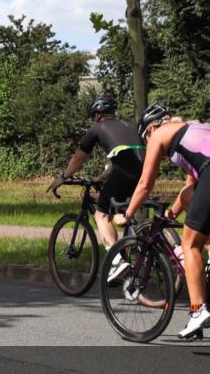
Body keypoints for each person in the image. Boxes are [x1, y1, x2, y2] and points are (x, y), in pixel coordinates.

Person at [122, 104, 210, 339]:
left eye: (146, 138)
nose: (148, 144)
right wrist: (172, 213)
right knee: (208, 233)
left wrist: (127, 215)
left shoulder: (161, 134)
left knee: (190, 244)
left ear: (152, 127)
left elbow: (145, 184)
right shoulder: (195, 129)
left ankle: (198, 310)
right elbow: (191, 188)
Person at [48, 95, 144, 282]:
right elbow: (127, 158)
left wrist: (63, 177)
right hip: (144, 171)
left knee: (101, 214)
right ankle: (135, 251)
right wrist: (102, 178)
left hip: (125, 171)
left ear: (98, 115)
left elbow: (79, 158)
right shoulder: (130, 125)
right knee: (121, 213)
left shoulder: (97, 128)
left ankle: (116, 261)